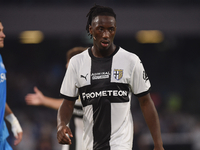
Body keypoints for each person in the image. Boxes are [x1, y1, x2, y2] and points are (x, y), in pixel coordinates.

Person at [57, 4, 165, 150]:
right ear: (90, 30)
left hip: (121, 145)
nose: (106, 34)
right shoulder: (77, 63)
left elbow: (146, 102)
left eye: (111, 29)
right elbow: (67, 103)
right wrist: (61, 125)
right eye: (100, 29)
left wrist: (158, 145)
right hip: (90, 146)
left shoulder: (130, 61)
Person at [25, 47, 87, 150]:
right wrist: (44, 100)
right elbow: (68, 104)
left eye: (69, 63)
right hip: (72, 145)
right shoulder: (73, 85)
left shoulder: (95, 87)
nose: (66, 66)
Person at [0, 20, 23, 149]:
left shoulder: (0, 58)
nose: (3, 35)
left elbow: (0, 96)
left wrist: (13, 120)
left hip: (1, 136)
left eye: (2, 30)